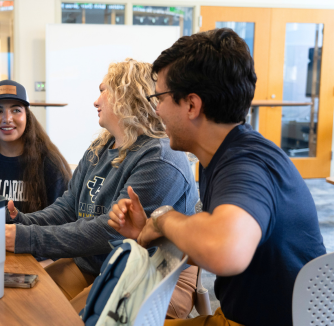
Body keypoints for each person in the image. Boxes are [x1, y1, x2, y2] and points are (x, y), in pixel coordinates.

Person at [108, 29, 326, 326]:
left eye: (159, 97)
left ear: (192, 105)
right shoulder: (224, 155)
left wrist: (163, 218)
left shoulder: (246, 165)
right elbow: (217, 248)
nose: (156, 109)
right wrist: (152, 234)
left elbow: (226, 251)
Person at [5, 58, 199, 318]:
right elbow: (68, 207)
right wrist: (23, 222)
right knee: (22, 304)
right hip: (96, 261)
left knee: (55, 318)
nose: (96, 101)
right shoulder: (102, 146)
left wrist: (28, 238)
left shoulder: (160, 158)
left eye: (103, 90)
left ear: (127, 94)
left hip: (149, 273)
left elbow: (109, 232)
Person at [0, 80, 72, 214]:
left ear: (27, 116)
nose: (7, 118)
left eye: (16, 110)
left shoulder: (50, 165)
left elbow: (62, 220)